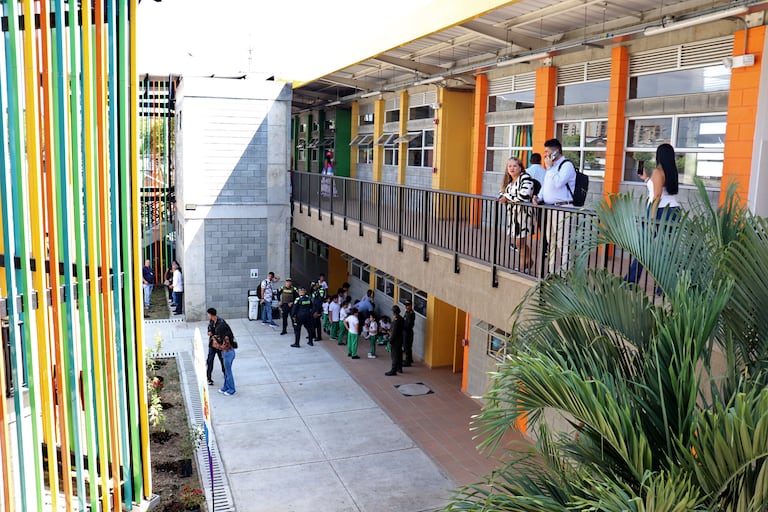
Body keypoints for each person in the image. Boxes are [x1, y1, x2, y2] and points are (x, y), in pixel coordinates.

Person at [626, 144, 681, 284]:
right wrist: (646, 179)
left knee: (643, 248)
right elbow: (658, 189)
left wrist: (651, 217)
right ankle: (664, 286)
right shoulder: (671, 171)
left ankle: (631, 281)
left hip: (659, 210)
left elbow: (657, 195)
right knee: (665, 250)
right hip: (673, 210)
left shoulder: (658, 171)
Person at [533, 138, 576, 273]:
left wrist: (550, 168)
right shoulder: (551, 167)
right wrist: (539, 197)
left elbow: (558, 183)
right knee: (550, 240)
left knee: (562, 241)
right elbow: (546, 185)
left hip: (563, 208)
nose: (545, 154)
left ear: (556, 152)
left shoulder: (566, 165)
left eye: (547, 151)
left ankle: (565, 272)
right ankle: (551, 270)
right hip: (550, 208)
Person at [498, 156, 535, 271]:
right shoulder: (510, 181)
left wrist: (506, 197)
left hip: (523, 216)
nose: (512, 168)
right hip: (514, 217)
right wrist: (502, 196)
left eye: (515, 166)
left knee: (519, 243)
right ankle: (529, 261)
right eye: (509, 166)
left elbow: (524, 195)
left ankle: (523, 266)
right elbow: (501, 193)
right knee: (520, 243)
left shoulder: (525, 178)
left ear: (520, 167)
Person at [207, 307, 236, 395]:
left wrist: (216, 341)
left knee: (228, 371)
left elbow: (223, 343)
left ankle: (231, 389)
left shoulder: (222, 328)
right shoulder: (214, 323)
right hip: (225, 352)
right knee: (226, 370)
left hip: (227, 352)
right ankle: (225, 387)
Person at [384, 305, 405, 376]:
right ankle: (399, 368)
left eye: (392, 311)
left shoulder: (396, 321)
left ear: (394, 312)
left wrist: (390, 341)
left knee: (394, 355)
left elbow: (394, 332)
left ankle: (393, 370)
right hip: (400, 339)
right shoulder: (401, 318)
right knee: (399, 354)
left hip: (396, 340)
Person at [402, 300, 416, 367]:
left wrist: (402, 326)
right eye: (406, 305)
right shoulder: (407, 312)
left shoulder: (411, 313)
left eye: (407, 305)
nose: (406, 307)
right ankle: (409, 359)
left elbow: (408, 324)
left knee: (406, 346)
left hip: (408, 332)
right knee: (408, 347)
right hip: (406, 331)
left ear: (410, 306)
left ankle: (408, 362)